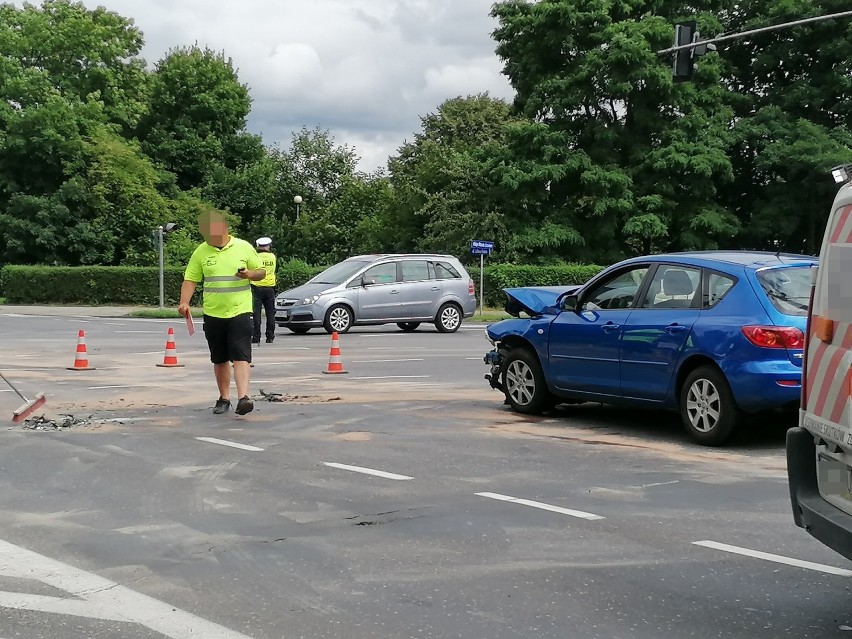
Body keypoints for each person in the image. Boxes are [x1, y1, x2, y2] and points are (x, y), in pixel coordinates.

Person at [178, 210, 266, 416]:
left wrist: (249, 274)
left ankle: (244, 398)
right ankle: (224, 398)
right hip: (213, 312)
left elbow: (261, 273)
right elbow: (190, 279)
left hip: (240, 310)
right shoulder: (201, 251)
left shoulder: (243, 247)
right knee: (219, 358)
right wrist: (184, 302)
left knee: (241, 354)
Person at [251, 237, 278, 344]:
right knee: (270, 313)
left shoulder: (255, 256)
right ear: (269, 246)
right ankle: (270, 336)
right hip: (270, 287)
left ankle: (256, 336)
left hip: (257, 287)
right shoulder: (272, 257)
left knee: (256, 313)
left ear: (258, 246)